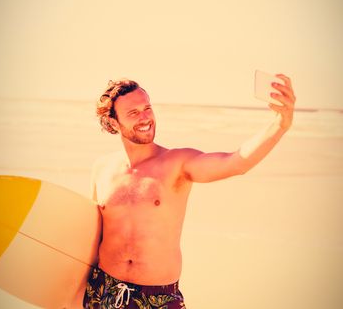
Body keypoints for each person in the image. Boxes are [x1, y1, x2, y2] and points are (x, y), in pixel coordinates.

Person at [83, 75, 296, 308]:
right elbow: (91, 239)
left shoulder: (177, 163)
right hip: (102, 290)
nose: (145, 117)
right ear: (113, 123)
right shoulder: (102, 169)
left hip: (158, 298)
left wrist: (280, 124)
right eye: (133, 113)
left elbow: (236, 163)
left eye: (147, 108)